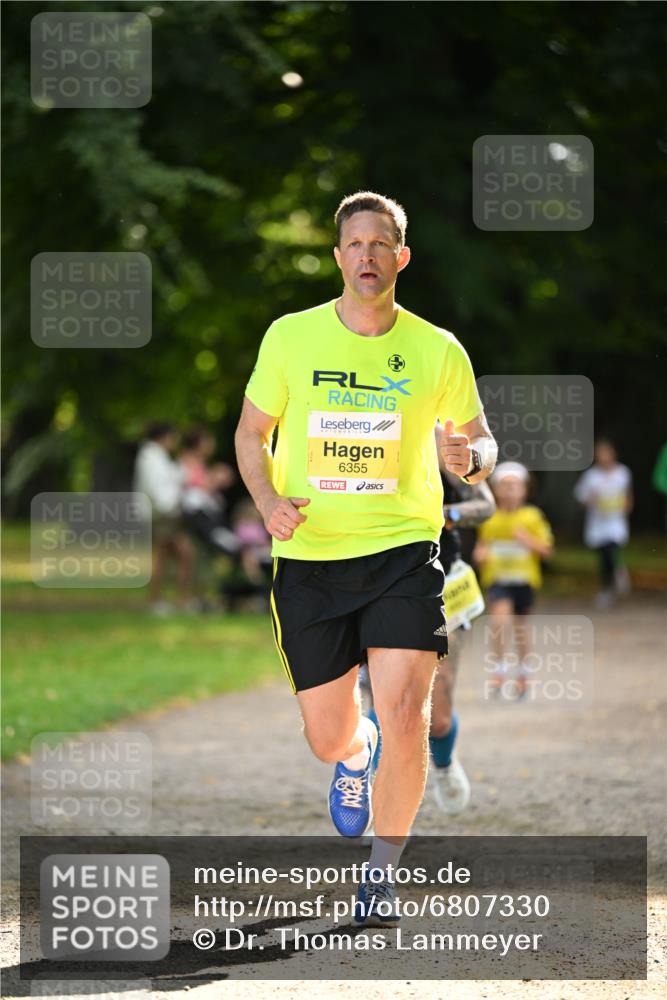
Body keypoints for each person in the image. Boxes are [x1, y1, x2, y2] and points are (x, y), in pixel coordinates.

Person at [235, 190, 497, 926]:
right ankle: (355, 756)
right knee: (327, 737)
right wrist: (266, 504)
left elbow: (484, 446)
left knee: (406, 709)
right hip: (312, 556)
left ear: (400, 257)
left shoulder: (437, 349)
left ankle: (380, 876)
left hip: (401, 552)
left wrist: (470, 457)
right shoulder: (290, 337)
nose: (367, 257)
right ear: (337, 257)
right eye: (354, 245)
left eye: (380, 244)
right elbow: (249, 435)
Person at [362, 429, 496, 815]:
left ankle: (443, 760)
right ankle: (372, 795)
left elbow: (484, 505)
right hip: (377, 583)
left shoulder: (438, 440)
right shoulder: (357, 432)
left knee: (435, 716)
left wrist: (443, 513)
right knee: (384, 699)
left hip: (441, 584)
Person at [473, 462, 554, 698]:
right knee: (500, 622)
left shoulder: (532, 517)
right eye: (505, 485)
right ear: (496, 490)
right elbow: (482, 548)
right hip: (498, 581)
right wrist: (480, 555)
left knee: (521, 629)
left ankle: (524, 674)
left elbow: (547, 551)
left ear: (524, 490)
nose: (509, 490)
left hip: (524, 581)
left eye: (514, 485)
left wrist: (528, 540)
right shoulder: (490, 518)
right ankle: (499, 670)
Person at [133, 422, 194, 615]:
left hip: (164, 514)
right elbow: (158, 489)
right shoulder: (150, 457)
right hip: (162, 515)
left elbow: (172, 478)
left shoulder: (157, 456)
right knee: (177, 554)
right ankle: (165, 600)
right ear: (164, 437)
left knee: (168, 556)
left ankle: (168, 600)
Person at [574, 438, 633, 609]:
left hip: (615, 521)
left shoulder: (623, 472)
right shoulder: (591, 476)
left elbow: (628, 496)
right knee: (603, 556)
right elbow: (581, 498)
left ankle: (616, 576)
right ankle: (610, 583)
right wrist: (592, 500)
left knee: (611, 549)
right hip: (597, 522)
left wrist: (625, 506)